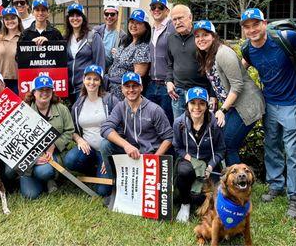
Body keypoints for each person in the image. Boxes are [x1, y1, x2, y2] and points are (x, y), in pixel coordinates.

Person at [239, 7, 296, 218]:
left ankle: (295, 197)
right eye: (247, 27)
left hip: (291, 103)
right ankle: (276, 185)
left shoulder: (285, 38)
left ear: (264, 23)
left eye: (255, 24)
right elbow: (242, 70)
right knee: (272, 146)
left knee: (293, 152)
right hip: (269, 104)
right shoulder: (247, 49)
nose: (252, 30)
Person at [193, 20, 264, 165]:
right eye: (197, 36)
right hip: (233, 106)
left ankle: (237, 184)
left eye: (205, 35)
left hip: (246, 106)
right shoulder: (208, 54)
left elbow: (237, 85)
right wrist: (214, 99)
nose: (201, 39)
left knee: (228, 144)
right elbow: (218, 82)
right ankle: (224, 180)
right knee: (221, 141)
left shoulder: (223, 53)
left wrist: (222, 110)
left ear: (213, 36)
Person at [100, 72, 173, 182]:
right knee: (105, 144)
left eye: (135, 86)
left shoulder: (154, 109)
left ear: (141, 87)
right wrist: (126, 145)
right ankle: (116, 185)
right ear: (122, 89)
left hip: (150, 155)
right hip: (130, 153)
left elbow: (169, 137)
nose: (131, 90)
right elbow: (105, 128)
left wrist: (155, 159)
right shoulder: (120, 107)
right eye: (127, 86)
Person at [64, 65, 119, 196]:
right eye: (89, 78)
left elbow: (121, 127)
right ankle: (93, 168)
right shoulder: (78, 103)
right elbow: (72, 129)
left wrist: (110, 156)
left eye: (96, 79)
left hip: (106, 150)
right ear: (83, 80)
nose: (92, 82)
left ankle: (107, 166)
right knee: (70, 160)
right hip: (88, 149)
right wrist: (79, 139)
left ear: (101, 81)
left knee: (103, 191)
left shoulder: (110, 100)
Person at [173, 87, 225, 223]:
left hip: (209, 161)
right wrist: (192, 161)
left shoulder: (214, 123)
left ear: (207, 105)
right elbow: (177, 147)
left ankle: (194, 198)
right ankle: (185, 204)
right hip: (188, 160)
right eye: (193, 103)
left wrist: (210, 167)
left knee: (212, 196)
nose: (197, 107)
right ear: (187, 105)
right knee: (184, 172)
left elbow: (220, 150)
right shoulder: (179, 123)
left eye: (201, 103)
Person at [20, 75, 75, 199]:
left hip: (53, 154)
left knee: (45, 171)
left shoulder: (62, 109)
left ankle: (48, 178)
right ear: (34, 92)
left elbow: (69, 131)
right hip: (29, 158)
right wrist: (33, 159)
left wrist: (54, 144)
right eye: (41, 90)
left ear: (52, 92)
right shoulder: (24, 111)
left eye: (48, 90)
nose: (44, 93)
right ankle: (33, 177)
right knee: (30, 195)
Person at [166, 5, 215, 119]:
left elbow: (213, 68)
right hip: (178, 93)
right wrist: (168, 81)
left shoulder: (201, 38)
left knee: (201, 128)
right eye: (174, 19)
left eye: (180, 18)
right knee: (180, 127)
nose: (177, 22)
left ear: (190, 17)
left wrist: (213, 95)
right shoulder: (171, 39)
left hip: (200, 92)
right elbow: (170, 64)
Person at [64, 3, 105, 104]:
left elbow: (100, 63)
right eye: (72, 15)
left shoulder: (93, 36)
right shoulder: (65, 38)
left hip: (85, 87)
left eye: (78, 15)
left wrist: (97, 86)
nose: (75, 18)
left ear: (83, 18)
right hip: (68, 88)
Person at [107, 9, 151, 100]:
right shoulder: (126, 42)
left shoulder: (143, 47)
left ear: (146, 27)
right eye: (131, 22)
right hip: (111, 89)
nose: (133, 25)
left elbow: (137, 76)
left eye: (138, 23)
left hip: (124, 94)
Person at [146, 0, 175, 124]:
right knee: (150, 121)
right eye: (153, 7)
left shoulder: (172, 27)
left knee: (167, 121)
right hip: (151, 84)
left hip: (167, 84)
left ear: (167, 10)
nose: (156, 10)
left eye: (160, 7)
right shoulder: (150, 29)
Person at [94, 6, 126, 71]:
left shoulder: (123, 36)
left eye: (112, 14)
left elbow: (124, 59)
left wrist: (118, 55)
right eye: (106, 14)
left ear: (118, 16)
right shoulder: (96, 31)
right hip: (95, 69)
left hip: (110, 72)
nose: (109, 17)